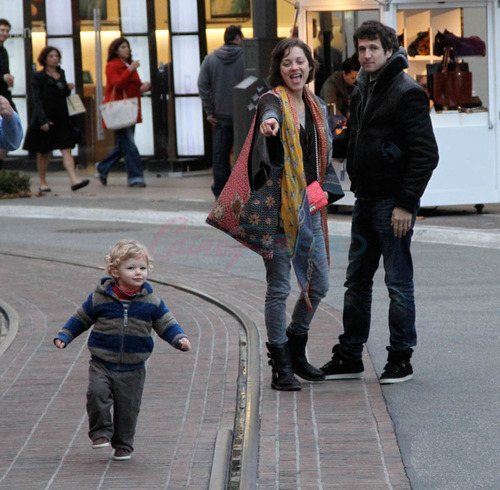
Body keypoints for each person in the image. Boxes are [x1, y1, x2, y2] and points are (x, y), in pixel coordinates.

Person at [207, 38, 344, 391]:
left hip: (310, 205)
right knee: (280, 287)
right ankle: (281, 365)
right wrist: (270, 125)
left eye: (300, 61)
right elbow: (269, 114)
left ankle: (296, 346)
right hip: (280, 209)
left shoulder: (315, 104)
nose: (294, 68)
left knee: (321, 283)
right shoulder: (274, 100)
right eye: (287, 63)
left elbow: (323, 153)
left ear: (310, 66)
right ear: (279, 69)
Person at [319, 20, 439, 384]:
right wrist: (320, 146)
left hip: (392, 203)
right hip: (366, 199)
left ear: (389, 51)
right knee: (357, 281)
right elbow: (356, 138)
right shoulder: (364, 87)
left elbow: (425, 154)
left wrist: (406, 203)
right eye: (362, 49)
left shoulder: (406, 91)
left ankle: (400, 357)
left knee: (398, 282)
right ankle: (350, 354)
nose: (366, 55)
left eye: (373, 48)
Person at [54, 239, 192, 461]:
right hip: (102, 362)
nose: (138, 273)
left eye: (142, 268)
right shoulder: (99, 298)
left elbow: (166, 323)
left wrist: (179, 339)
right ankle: (100, 433)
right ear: (114, 271)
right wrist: (64, 336)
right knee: (96, 394)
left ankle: (124, 444)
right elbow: (80, 318)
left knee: (128, 408)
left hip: (134, 367)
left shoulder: (152, 302)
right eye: (131, 268)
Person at [23, 46, 89, 193]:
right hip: (46, 117)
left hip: (62, 117)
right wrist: (42, 119)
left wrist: (68, 88)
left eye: (57, 56)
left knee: (67, 149)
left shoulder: (61, 74)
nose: (55, 58)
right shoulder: (38, 77)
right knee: (44, 151)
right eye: (51, 56)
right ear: (45, 59)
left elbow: (63, 94)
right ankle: (42, 181)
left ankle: (74, 180)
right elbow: (37, 99)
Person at [95, 37, 151, 188]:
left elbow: (134, 86)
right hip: (119, 110)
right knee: (129, 144)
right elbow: (118, 84)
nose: (127, 49)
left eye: (127, 47)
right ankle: (135, 177)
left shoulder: (127, 65)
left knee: (124, 145)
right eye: (123, 47)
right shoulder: (113, 65)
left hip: (130, 110)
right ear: (116, 50)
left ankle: (103, 167)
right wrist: (130, 70)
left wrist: (144, 86)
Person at [197, 25, 245, 198]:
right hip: (244, 117)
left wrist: (209, 110)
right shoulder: (247, 57)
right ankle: (241, 192)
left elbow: (202, 84)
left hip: (220, 117)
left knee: (220, 158)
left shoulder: (210, 59)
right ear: (238, 38)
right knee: (244, 157)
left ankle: (222, 194)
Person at [0, 19, 16, 168]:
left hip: (5, 95)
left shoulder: (3, 51)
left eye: (7, 30)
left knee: (12, 128)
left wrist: (8, 78)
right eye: (2, 30)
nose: (5, 33)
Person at [314, 30, 343, 96]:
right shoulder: (315, 52)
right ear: (319, 37)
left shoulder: (336, 53)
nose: (324, 38)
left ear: (332, 37)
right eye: (322, 36)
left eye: (329, 36)